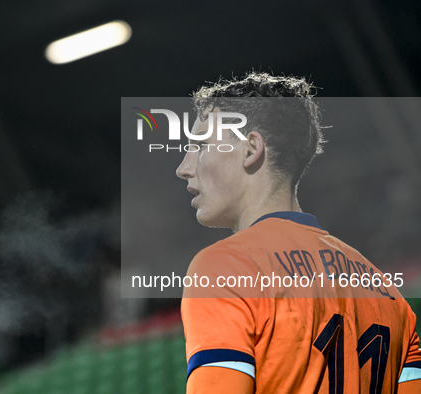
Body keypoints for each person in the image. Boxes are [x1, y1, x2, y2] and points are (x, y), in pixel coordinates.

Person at [175, 72, 421, 394]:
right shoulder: (389, 295)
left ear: (250, 150)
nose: (184, 167)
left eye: (200, 146)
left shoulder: (224, 268)